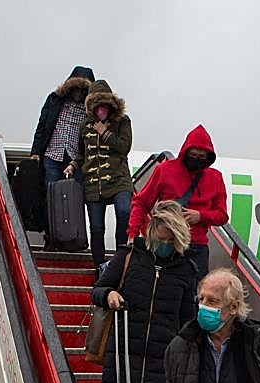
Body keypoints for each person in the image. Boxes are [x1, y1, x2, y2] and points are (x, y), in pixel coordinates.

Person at [91, 201, 197, 383]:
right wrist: (108, 295)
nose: (165, 243)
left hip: (164, 365)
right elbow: (97, 290)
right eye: (162, 236)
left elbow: (187, 320)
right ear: (152, 229)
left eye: (171, 239)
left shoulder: (186, 270)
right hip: (126, 360)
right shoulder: (128, 257)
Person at [127, 125, 228, 280]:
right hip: (167, 243)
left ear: (208, 157)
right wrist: (133, 233)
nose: (196, 159)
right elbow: (141, 202)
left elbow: (222, 216)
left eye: (201, 157)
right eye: (193, 155)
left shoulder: (215, 178)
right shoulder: (165, 169)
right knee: (162, 289)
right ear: (185, 152)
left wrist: (201, 216)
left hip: (196, 246)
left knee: (195, 294)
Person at [67, 79, 133, 269]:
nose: (101, 110)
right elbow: (81, 153)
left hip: (118, 178)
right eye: (97, 106)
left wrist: (105, 133)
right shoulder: (85, 125)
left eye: (104, 105)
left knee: (124, 211)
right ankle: (99, 266)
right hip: (93, 183)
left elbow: (124, 147)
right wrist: (72, 165)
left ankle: (121, 260)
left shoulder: (122, 121)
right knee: (96, 227)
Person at [30, 66, 95, 188]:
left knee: (74, 196)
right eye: (76, 89)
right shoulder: (55, 99)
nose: (79, 93)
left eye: (83, 90)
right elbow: (42, 125)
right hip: (53, 154)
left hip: (76, 159)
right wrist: (36, 151)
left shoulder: (91, 109)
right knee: (52, 192)